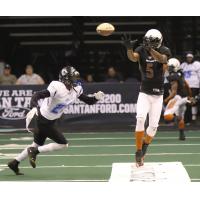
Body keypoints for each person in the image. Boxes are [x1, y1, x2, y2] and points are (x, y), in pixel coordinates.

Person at [7, 66, 104, 175]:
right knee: (63, 144)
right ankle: (34, 152)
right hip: (43, 120)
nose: (75, 80)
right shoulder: (57, 87)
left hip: (50, 120)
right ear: (66, 78)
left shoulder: (76, 89)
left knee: (35, 145)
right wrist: (33, 107)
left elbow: (88, 101)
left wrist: (96, 98)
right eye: (73, 77)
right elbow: (37, 95)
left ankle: (14, 163)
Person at [122, 29, 171, 167]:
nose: (148, 43)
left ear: (158, 41)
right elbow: (133, 57)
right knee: (140, 118)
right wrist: (129, 48)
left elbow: (163, 59)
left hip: (158, 94)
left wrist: (151, 51)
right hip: (144, 91)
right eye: (147, 41)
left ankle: (144, 147)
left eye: (151, 41)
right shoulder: (142, 49)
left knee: (153, 127)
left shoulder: (165, 50)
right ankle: (138, 151)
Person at [164, 58, 193, 140]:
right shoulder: (180, 74)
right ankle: (182, 134)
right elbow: (187, 85)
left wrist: (165, 100)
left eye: (169, 67)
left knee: (167, 116)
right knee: (181, 116)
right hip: (184, 98)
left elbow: (173, 92)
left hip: (177, 97)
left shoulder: (173, 76)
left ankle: (176, 119)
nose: (167, 68)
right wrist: (190, 96)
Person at [180, 53, 200, 122]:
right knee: (186, 102)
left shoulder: (197, 64)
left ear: (193, 58)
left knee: (193, 101)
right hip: (185, 86)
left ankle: (193, 117)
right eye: (188, 57)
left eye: (190, 57)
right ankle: (186, 117)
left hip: (194, 85)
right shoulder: (183, 65)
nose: (189, 59)